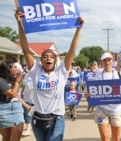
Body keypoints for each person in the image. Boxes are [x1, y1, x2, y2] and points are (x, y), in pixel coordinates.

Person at [15, 11, 85, 141]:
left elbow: (72, 51)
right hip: (38, 117)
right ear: (41, 61)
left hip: (56, 118)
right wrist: (20, 23)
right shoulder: (36, 71)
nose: (48, 58)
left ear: (55, 60)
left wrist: (78, 29)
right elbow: (25, 49)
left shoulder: (61, 71)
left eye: (51, 57)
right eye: (45, 57)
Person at [85, 52, 121, 141]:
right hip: (101, 111)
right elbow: (90, 89)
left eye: (109, 60)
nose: (107, 62)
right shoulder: (98, 74)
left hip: (116, 110)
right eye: (104, 60)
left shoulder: (118, 74)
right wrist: (87, 94)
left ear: (112, 61)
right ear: (101, 62)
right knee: (105, 138)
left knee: (116, 139)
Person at [0, 62, 24, 141]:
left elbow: (17, 95)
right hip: (4, 108)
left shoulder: (12, 78)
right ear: (8, 69)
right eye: (14, 67)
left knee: (17, 135)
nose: (17, 68)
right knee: (7, 137)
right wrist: (17, 81)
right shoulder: (1, 81)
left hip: (16, 107)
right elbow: (13, 94)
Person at [20, 70, 35, 136]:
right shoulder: (26, 76)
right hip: (27, 99)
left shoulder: (37, 75)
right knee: (27, 114)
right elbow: (24, 85)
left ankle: (32, 127)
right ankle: (28, 129)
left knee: (34, 114)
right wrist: (21, 94)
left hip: (36, 100)